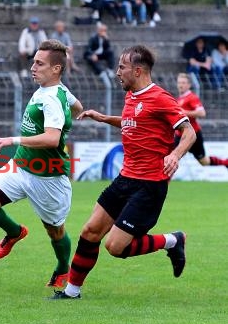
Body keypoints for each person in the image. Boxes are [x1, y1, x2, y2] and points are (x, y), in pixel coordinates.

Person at [50, 45, 196, 300]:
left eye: (122, 67)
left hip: (149, 186)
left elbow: (189, 132)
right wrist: (105, 118)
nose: (117, 72)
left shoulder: (160, 98)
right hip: (125, 179)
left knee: (115, 247)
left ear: (137, 70)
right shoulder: (132, 95)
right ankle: (72, 292)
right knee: (90, 231)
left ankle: (172, 241)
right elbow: (135, 121)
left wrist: (174, 155)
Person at [0, 39, 84, 289]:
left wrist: (13, 138)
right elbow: (78, 108)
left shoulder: (53, 98)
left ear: (56, 69)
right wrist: (75, 115)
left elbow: (53, 138)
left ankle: (63, 268)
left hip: (48, 178)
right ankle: (14, 232)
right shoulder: (57, 90)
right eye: (34, 61)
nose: (33, 67)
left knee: (55, 231)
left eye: (39, 63)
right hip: (20, 166)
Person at [176, 73, 228, 168]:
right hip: (180, 135)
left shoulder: (192, 97)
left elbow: (202, 113)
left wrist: (184, 112)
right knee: (171, 157)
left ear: (189, 85)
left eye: (183, 83)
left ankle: (225, 162)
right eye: (179, 82)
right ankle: (162, 181)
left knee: (203, 161)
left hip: (193, 134)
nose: (180, 85)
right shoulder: (179, 99)